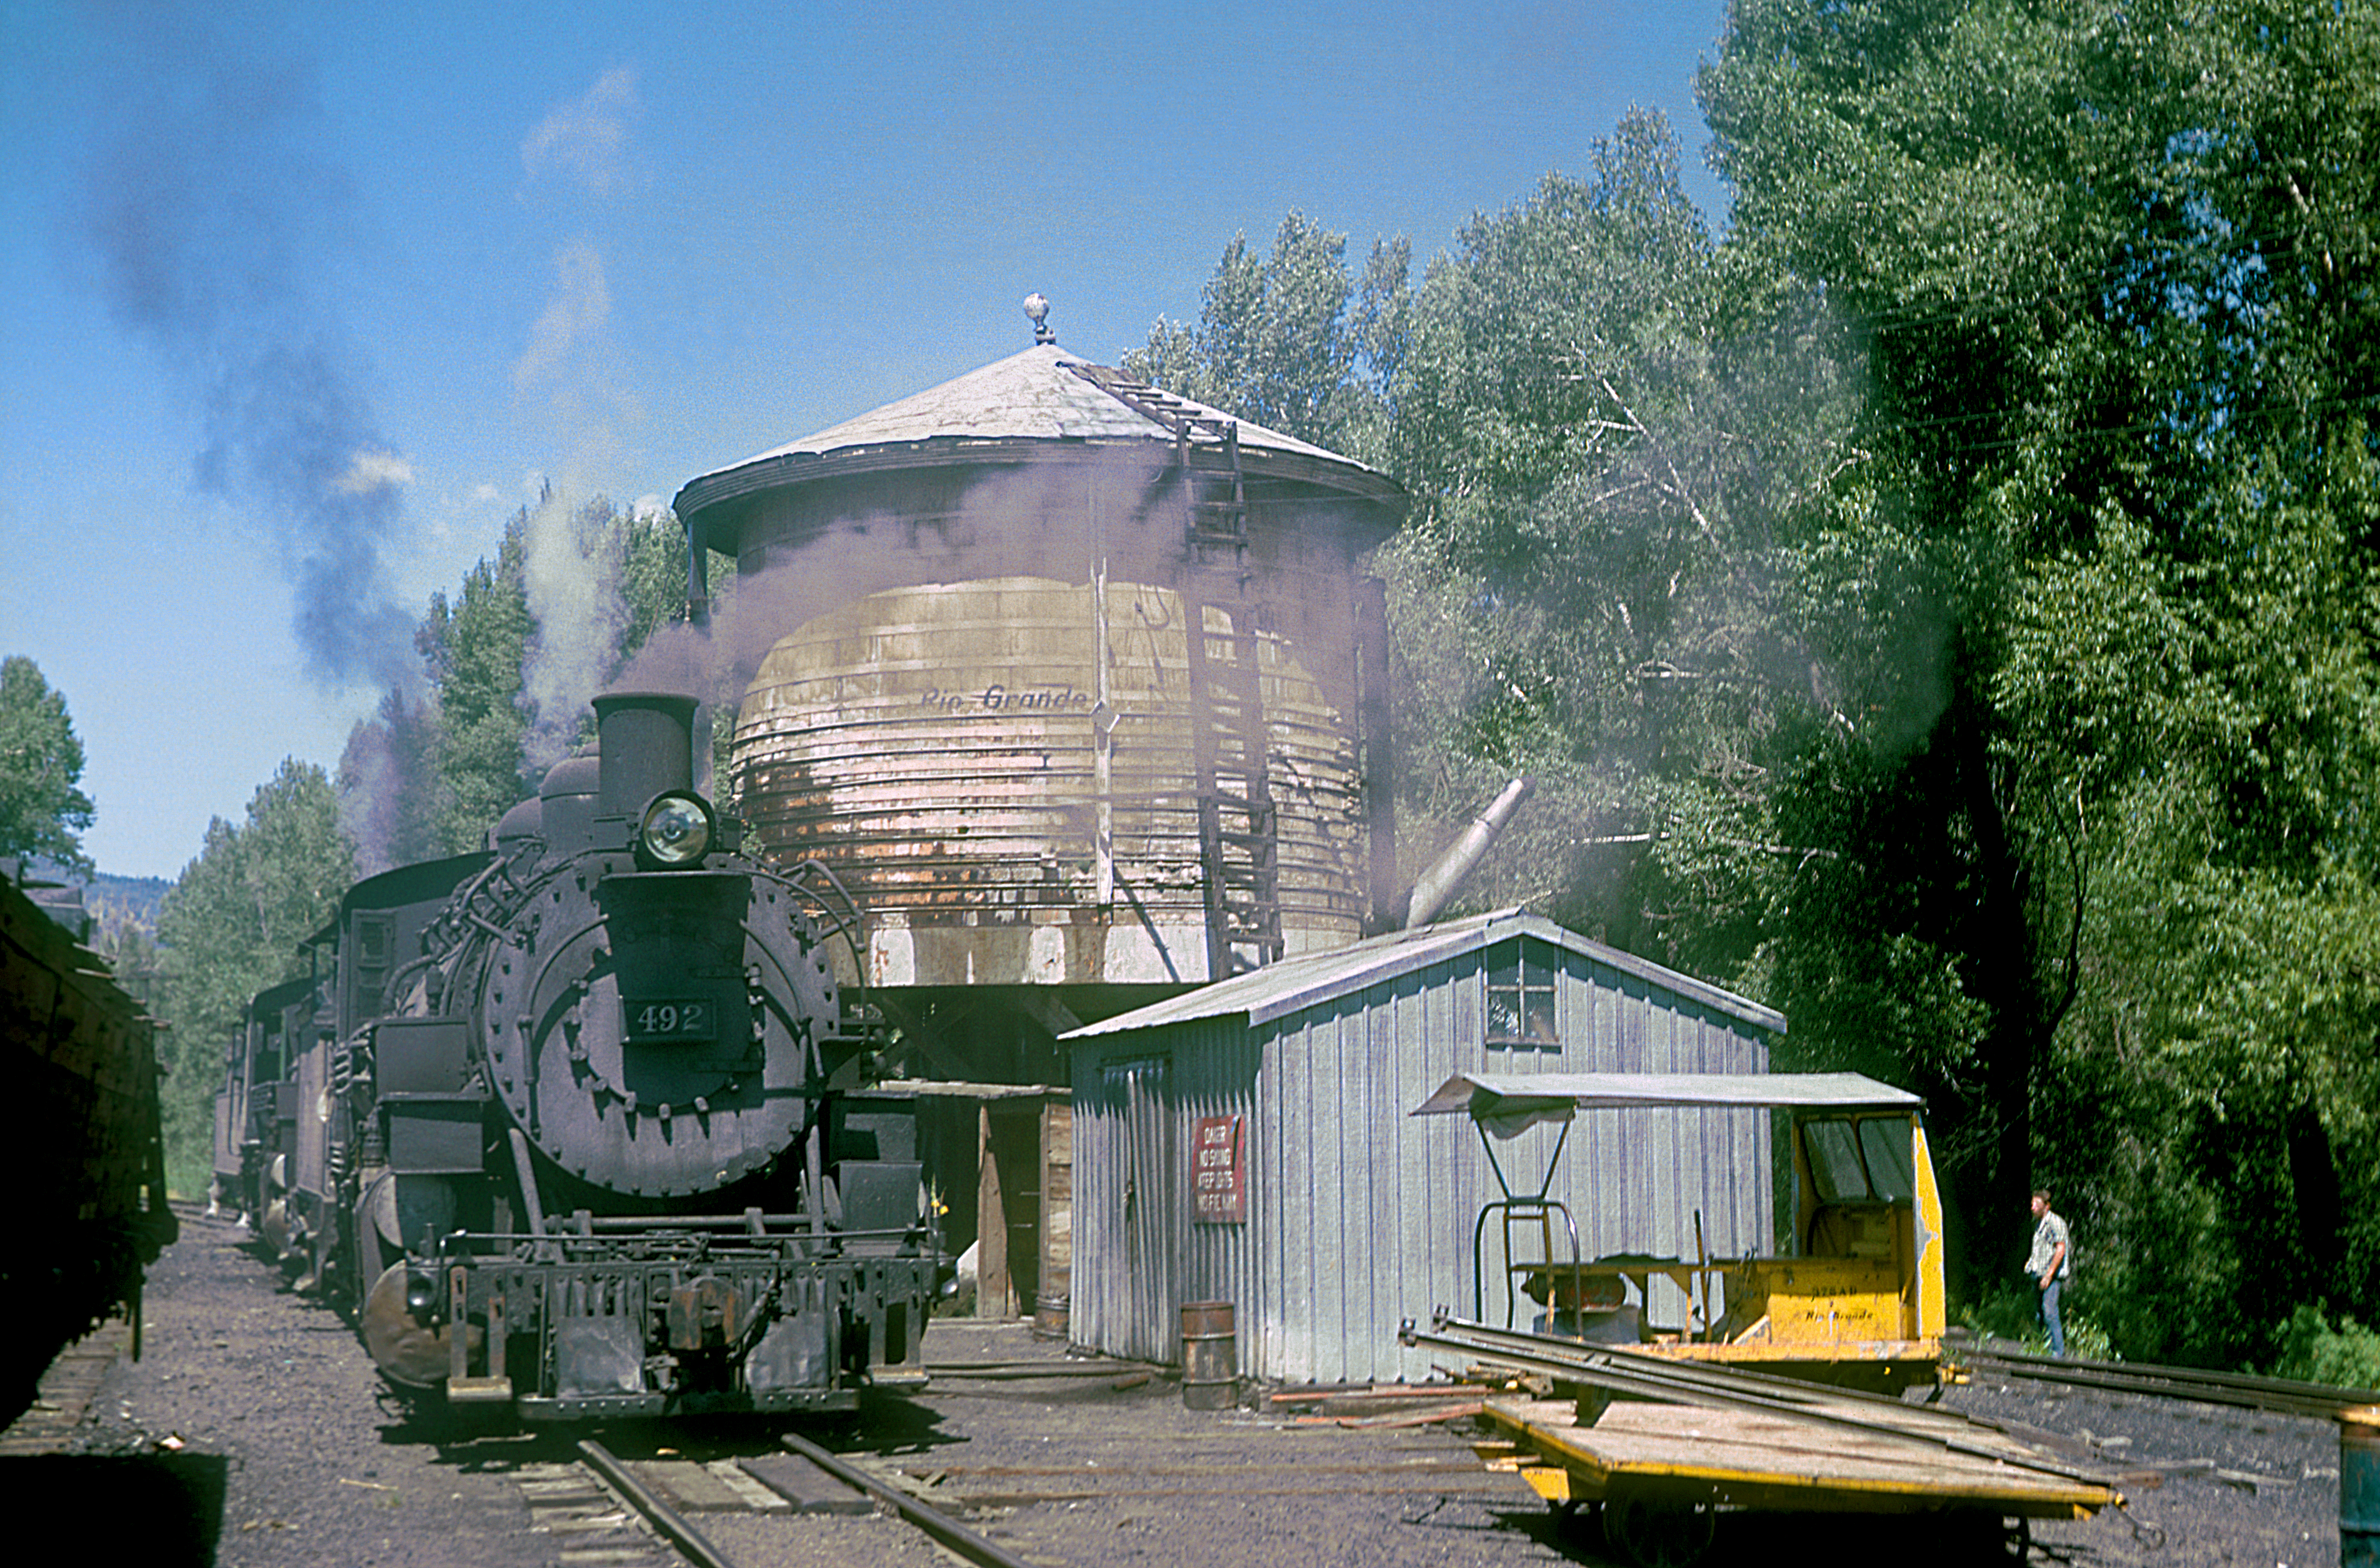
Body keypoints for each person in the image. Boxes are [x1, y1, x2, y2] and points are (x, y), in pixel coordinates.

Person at [2025, 1189, 2072, 1357]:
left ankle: (2058, 1353)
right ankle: (2046, 1348)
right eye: (2032, 1204)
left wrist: (2049, 1275)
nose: (2033, 1208)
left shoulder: (2055, 1223)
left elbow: (2060, 1250)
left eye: (2036, 1205)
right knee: (2040, 1314)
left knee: (2050, 1311)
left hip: (2051, 1276)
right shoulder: (2038, 1224)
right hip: (2037, 1273)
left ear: (2046, 1206)